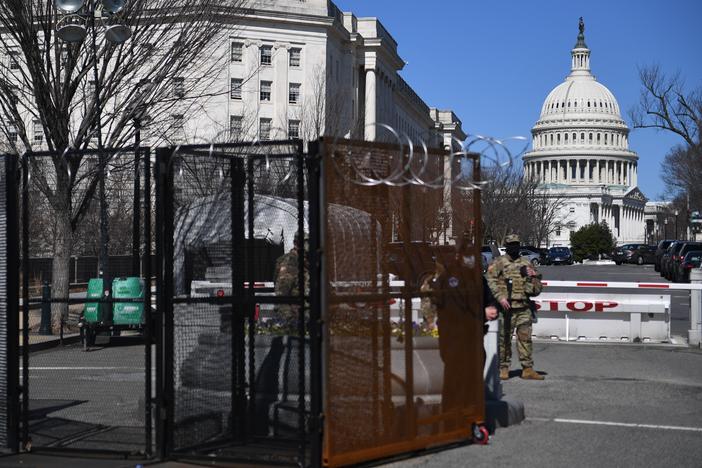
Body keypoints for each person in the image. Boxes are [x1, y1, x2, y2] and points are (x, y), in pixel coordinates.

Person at [486, 234, 544, 380]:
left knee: (525, 339)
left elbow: (536, 289)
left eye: (516, 244)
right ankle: (503, 368)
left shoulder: (526, 262)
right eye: (511, 244)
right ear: (506, 246)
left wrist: (533, 275)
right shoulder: (499, 262)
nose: (514, 247)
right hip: (506, 309)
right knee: (504, 340)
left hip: (523, 308)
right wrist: (500, 297)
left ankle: (527, 369)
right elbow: (490, 280)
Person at [273, 231, 309, 326]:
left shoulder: (306, 262)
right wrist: (290, 320)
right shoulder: (290, 263)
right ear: (296, 243)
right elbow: (281, 297)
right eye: (304, 242)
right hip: (297, 320)